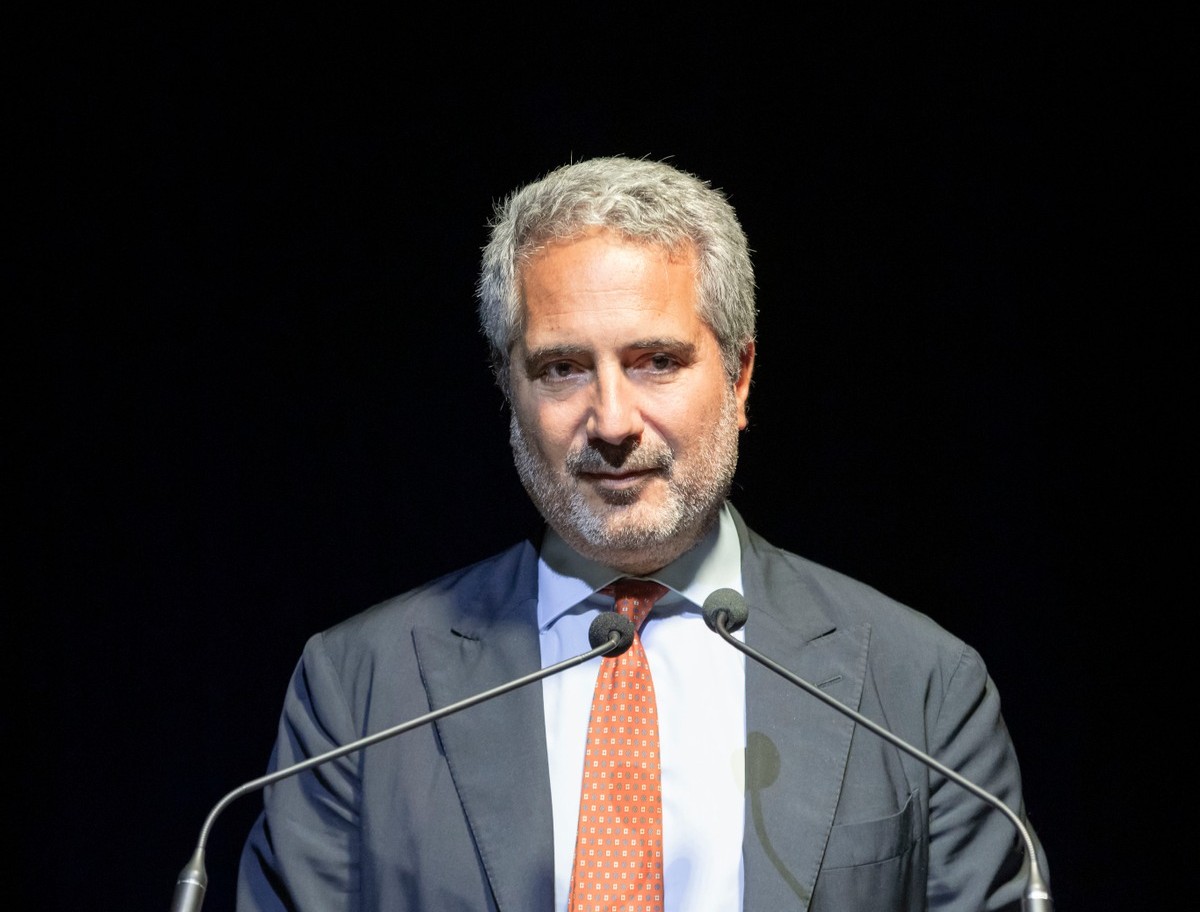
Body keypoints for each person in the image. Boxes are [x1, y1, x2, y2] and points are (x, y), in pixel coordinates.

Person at [236, 155, 1048, 911]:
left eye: (656, 360)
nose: (613, 422)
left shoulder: (921, 687)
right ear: (508, 391)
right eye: (562, 368)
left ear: (739, 378)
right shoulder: (359, 689)